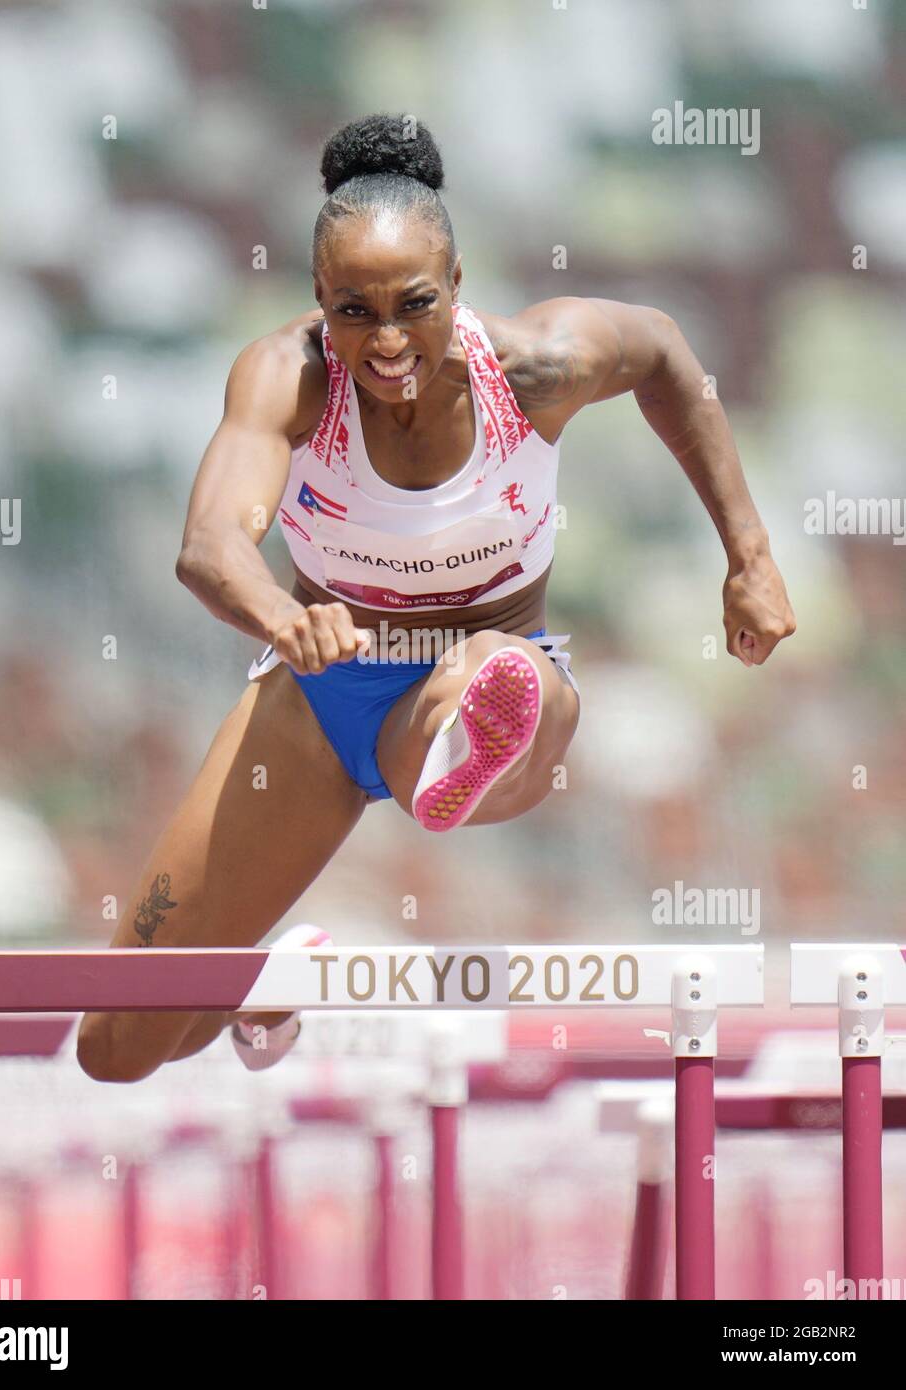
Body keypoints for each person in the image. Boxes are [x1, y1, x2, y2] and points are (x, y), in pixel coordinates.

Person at [77, 113, 795, 1084]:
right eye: (350, 311)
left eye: (412, 304)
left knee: (484, 685)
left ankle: (471, 724)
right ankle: (277, 982)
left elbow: (663, 350)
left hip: (494, 674)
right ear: (316, 302)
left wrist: (745, 554)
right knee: (116, 1046)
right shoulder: (285, 377)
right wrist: (282, 617)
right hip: (322, 695)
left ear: (457, 287)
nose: (382, 344)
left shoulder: (534, 366)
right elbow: (208, 545)